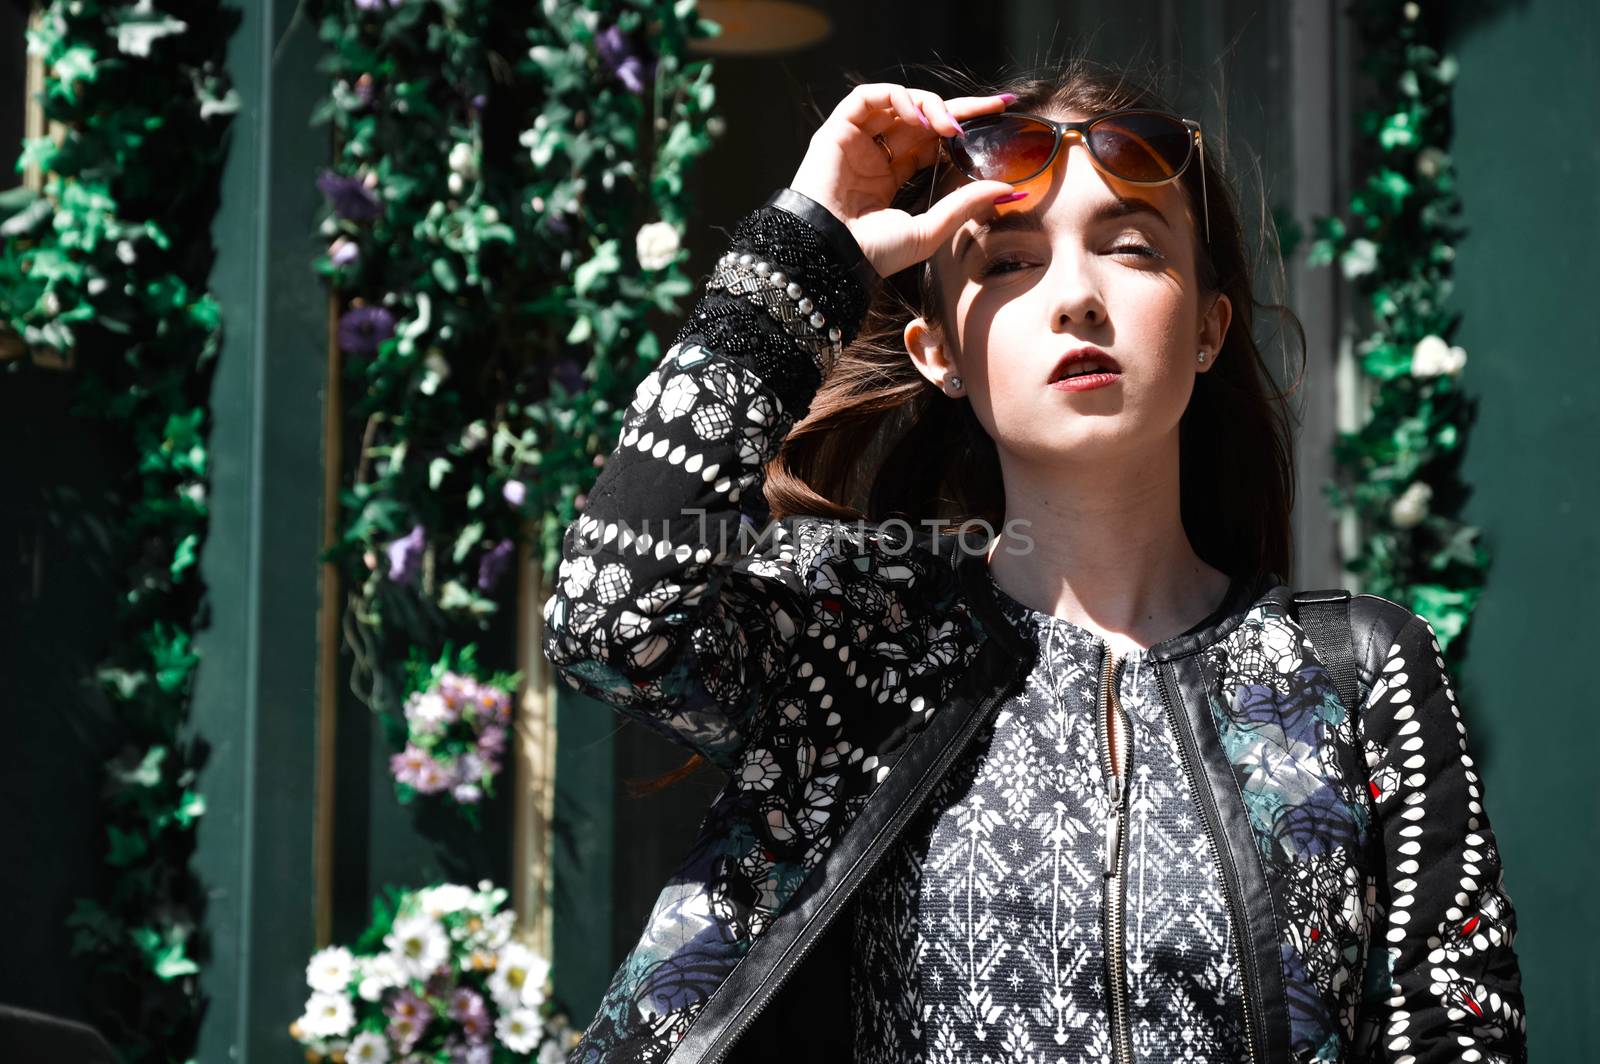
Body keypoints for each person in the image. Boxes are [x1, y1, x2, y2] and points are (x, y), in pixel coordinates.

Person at [542, 56, 1527, 1064]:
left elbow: (1455, 1037)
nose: (1075, 298)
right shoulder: (861, 634)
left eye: (1132, 248)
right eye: (1009, 262)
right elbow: (611, 620)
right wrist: (806, 247)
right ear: (938, 351)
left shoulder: (1353, 675)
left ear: (1208, 328)